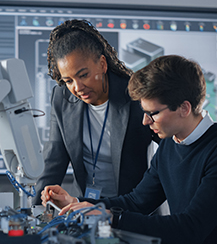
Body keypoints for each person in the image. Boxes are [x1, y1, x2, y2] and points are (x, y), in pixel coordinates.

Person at [41, 55, 217, 244]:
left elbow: (190, 228)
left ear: (184, 108)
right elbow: (137, 201)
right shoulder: (170, 145)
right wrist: (79, 205)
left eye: (152, 113)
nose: (145, 121)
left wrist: (111, 218)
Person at [32, 20, 158, 205]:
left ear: (102, 64)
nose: (77, 87)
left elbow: (171, 149)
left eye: (83, 75)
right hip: (83, 206)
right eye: (68, 80)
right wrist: (33, 214)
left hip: (134, 208)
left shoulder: (135, 95)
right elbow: (53, 161)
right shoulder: (62, 98)